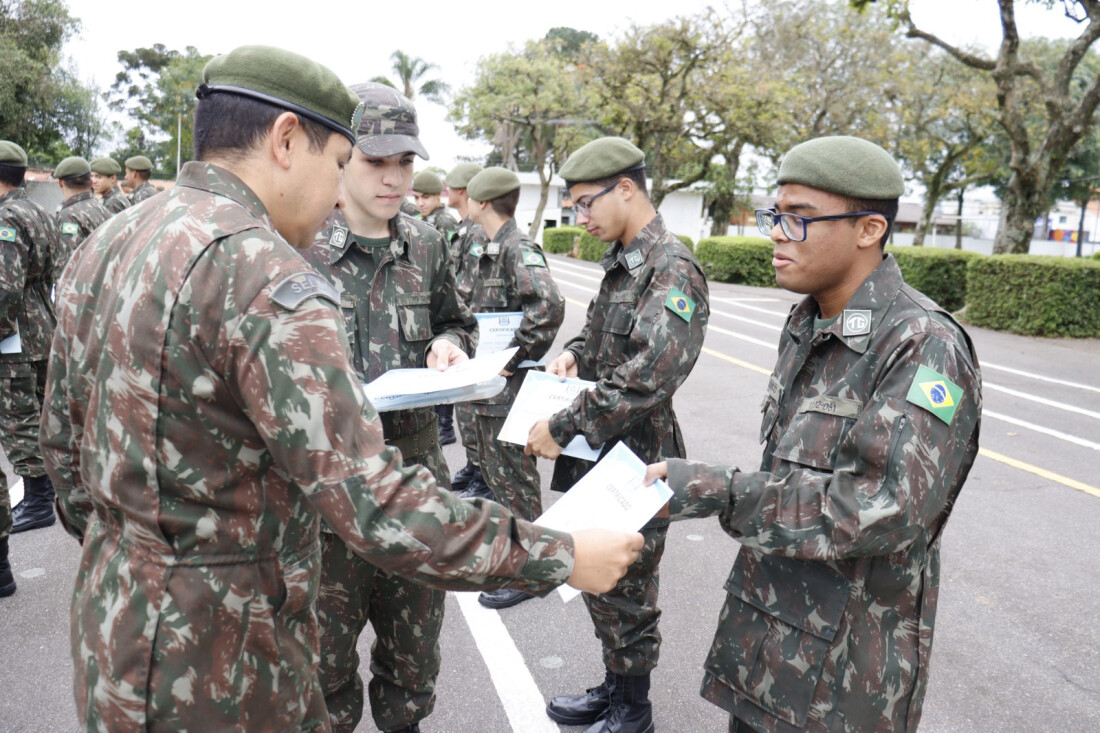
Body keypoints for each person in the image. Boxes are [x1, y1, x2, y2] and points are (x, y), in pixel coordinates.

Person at [38, 45, 642, 732]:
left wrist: (149, 558)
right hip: (226, 670)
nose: (338, 190)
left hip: (115, 641)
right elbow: (373, 503)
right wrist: (560, 554)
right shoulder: (262, 272)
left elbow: (64, 451)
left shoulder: (110, 239)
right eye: (341, 164)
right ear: (287, 139)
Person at [647, 136, 982, 732]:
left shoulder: (922, 344)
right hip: (771, 639)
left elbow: (884, 507)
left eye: (799, 218)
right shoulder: (809, 320)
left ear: (869, 229)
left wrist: (719, 490)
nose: (775, 232)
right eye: (775, 215)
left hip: (843, 680)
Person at [305, 81, 477, 733]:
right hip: (331, 505)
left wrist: (447, 343)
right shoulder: (301, 246)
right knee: (324, 670)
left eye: (405, 162)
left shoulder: (427, 244)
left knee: (413, 665)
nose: (394, 177)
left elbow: (458, 321)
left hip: (413, 489)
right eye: (378, 161)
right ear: (344, 157)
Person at [527, 137, 710, 733]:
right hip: (599, 448)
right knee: (601, 582)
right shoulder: (625, 261)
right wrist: (573, 359)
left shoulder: (673, 269)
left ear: (626, 189)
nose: (581, 217)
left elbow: (645, 380)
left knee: (629, 588)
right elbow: (598, 338)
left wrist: (559, 427)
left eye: (585, 204)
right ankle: (614, 688)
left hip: (638, 457)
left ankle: (634, 712)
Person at [463, 166, 564, 608]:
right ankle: (513, 560)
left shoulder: (516, 247)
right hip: (486, 389)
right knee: (497, 479)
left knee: (517, 484)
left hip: (507, 389)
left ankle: (532, 574)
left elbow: (549, 305)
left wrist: (514, 356)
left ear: (482, 202)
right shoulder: (489, 246)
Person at [0, 140, 61, 597]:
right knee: (38, 412)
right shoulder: (38, 211)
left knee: (19, 416)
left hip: (14, 335)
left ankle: (38, 499)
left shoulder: (6, 217)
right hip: (42, 325)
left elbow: (4, 288)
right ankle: (45, 490)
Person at [443, 162, 491, 496]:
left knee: (476, 408)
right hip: (464, 326)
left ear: (463, 191)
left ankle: (482, 474)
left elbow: (472, 283)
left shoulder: (476, 231)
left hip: (476, 327)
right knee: (466, 409)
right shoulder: (463, 229)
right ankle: (474, 466)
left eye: (450, 187)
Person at [54, 157, 111, 276]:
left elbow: (67, 266)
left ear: (60, 182)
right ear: (90, 182)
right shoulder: (102, 208)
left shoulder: (68, 216)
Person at [411, 169, 459, 240]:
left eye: (426, 197)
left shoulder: (446, 223)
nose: (420, 203)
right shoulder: (421, 219)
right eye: (416, 198)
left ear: (438, 195)